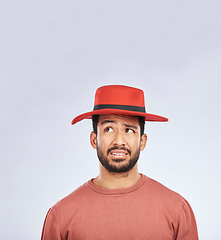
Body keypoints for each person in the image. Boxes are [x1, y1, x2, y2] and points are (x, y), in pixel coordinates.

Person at [41, 85, 199, 240]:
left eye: (129, 130)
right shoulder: (61, 217)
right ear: (94, 139)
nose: (119, 141)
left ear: (142, 142)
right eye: (108, 129)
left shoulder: (177, 211)